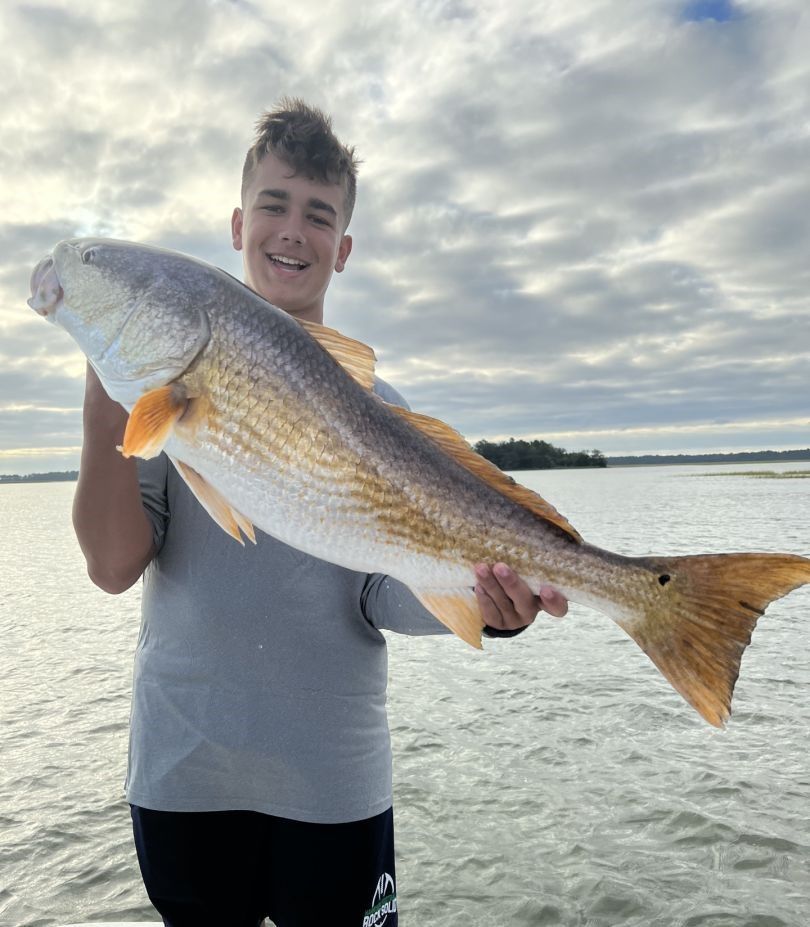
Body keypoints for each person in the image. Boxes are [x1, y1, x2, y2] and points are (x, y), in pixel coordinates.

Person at [72, 99, 568, 927]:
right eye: (273, 204)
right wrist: (101, 412)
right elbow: (113, 565)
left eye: (317, 214)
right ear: (238, 223)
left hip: (333, 786)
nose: (291, 231)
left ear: (343, 246)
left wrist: (496, 608)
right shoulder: (159, 387)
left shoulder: (383, 410)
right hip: (183, 777)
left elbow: (383, 591)